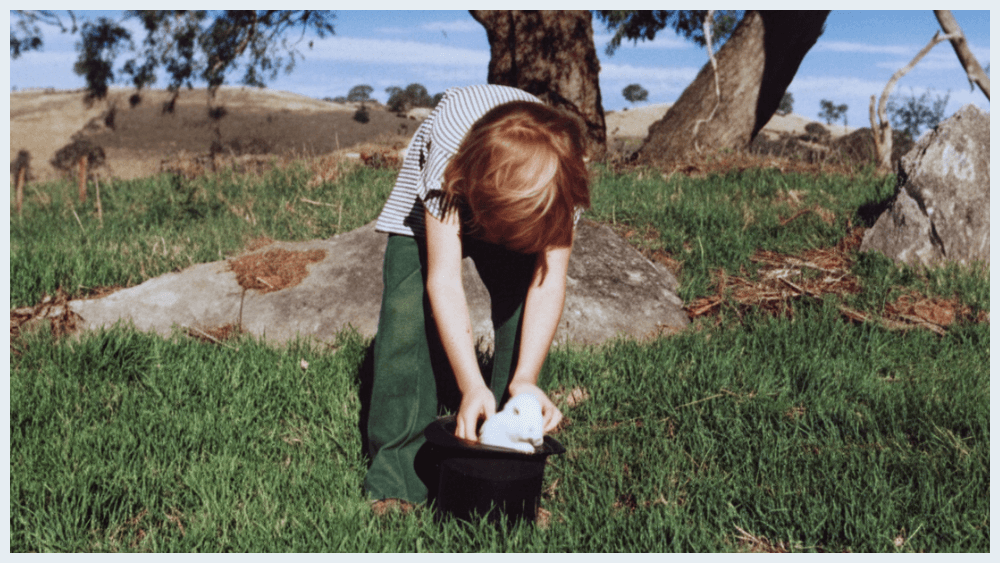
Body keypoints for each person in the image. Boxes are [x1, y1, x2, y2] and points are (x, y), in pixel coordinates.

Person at [365, 84, 591, 510]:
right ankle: (398, 478)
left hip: (516, 191)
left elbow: (548, 281)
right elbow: (444, 280)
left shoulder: (563, 179)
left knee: (521, 302)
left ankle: (506, 459)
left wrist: (526, 377)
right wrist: (470, 384)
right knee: (405, 315)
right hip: (440, 193)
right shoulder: (448, 160)